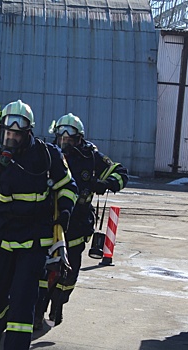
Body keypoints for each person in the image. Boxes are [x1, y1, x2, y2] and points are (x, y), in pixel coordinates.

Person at [0, 100, 78, 350]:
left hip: (34, 244)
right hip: (0, 244)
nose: (10, 140)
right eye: (7, 134)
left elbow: (68, 187)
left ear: (28, 133)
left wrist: (65, 213)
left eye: (16, 135)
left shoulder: (49, 156)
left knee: (23, 300)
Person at [34, 113, 129, 329]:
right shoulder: (49, 154)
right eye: (62, 139)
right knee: (44, 270)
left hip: (77, 224)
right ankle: (38, 311)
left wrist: (107, 183)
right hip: (51, 220)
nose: (65, 144)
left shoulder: (90, 156)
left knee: (70, 273)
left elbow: (120, 171)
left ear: (79, 139)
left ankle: (58, 304)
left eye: (70, 140)